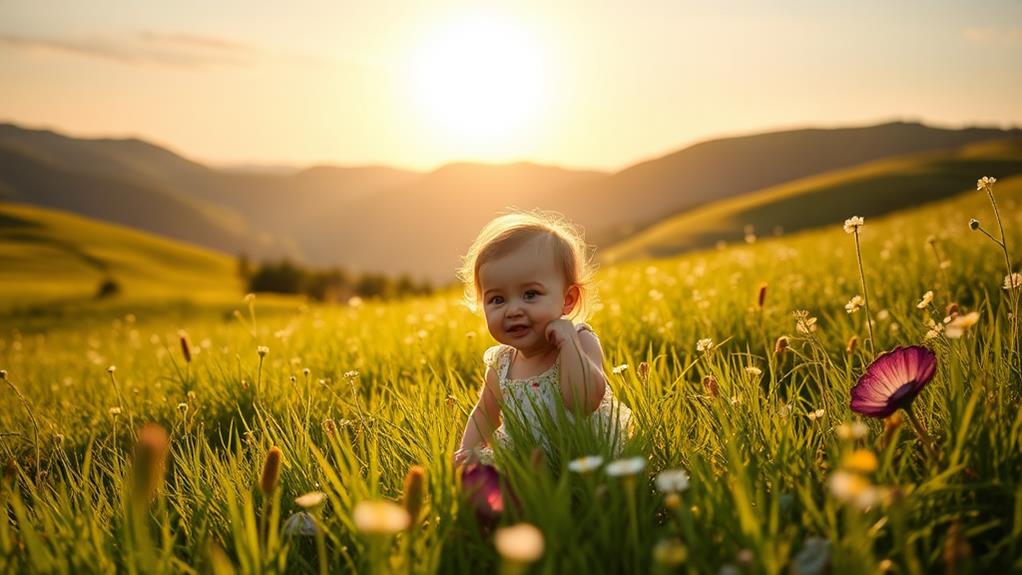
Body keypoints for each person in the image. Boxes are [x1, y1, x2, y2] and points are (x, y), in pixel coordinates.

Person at [454, 210, 632, 466]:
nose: (513, 310)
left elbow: (583, 401)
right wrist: (467, 451)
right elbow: (485, 413)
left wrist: (568, 343)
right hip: (527, 461)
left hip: (583, 458)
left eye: (530, 294)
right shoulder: (502, 364)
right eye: (497, 299)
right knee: (480, 478)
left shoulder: (580, 342)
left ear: (567, 300)